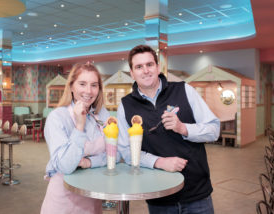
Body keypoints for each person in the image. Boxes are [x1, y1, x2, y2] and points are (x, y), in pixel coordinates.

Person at [117, 45, 220, 214]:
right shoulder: (125, 105)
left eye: (149, 64)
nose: (145, 71)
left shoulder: (184, 90)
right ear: (132, 73)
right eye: (139, 67)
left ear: (158, 67)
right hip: (159, 197)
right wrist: (159, 162)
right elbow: (126, 151)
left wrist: (183, 128)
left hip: (197, 194)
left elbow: (214, 130)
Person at [41, 63, 110, 214]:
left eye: (94, 85)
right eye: (82, 84)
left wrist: (89, 162)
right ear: (71, 86)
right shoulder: (57, 118)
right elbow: (66, 166)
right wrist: (80, 125)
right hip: (64, 199)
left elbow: (116, 154)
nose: (88, 91)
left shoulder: (102, 115)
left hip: (93, 197)